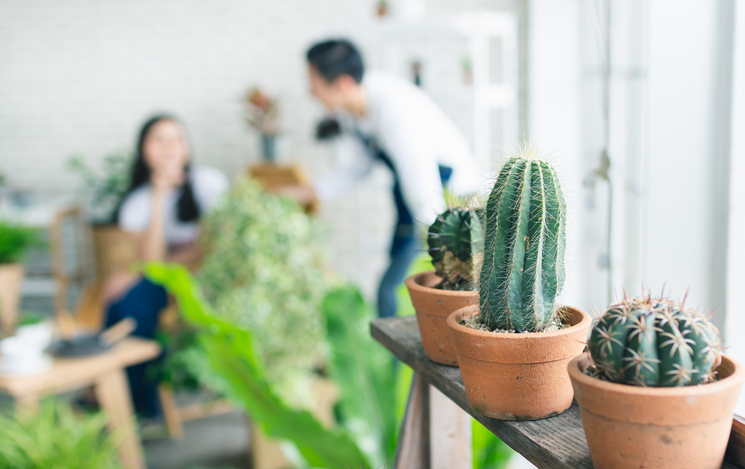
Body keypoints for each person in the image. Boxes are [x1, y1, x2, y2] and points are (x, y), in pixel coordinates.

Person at [304, 39, 480, 318]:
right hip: (414, 196)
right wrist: (312, 191)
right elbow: (359, 166)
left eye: (313, 82)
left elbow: (419, 178)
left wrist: (440, 245)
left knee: (396, 289)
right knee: (398, 283)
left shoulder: (392, 105)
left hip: (445, 198)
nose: (310, 92)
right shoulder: (352, 110)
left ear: (342, 83)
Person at [105, 115, 229, 417]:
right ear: (143, 150)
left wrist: (160, 264)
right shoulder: (138, 201)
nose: (168, 148)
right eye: (158, 140)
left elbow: (214, 249)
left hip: (209, 278)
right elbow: (151, 261)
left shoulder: (209, 184)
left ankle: (131, 398)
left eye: (176, 139)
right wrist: (158, 197)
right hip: (168, 281)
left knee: (129, 300)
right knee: (123, 301)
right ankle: (127, 394)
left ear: (186, 147)